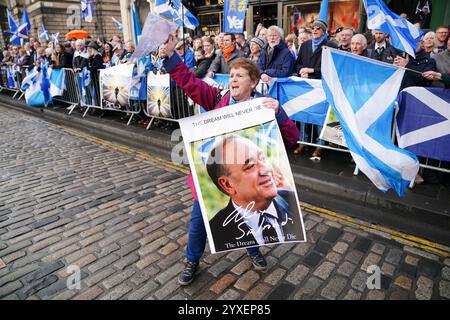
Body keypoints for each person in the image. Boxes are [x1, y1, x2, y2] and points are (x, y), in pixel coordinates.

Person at [161, 32, 299, 286]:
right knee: (199, 222)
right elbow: (188, 82)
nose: (233, 79)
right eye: (232, 75)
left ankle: (254, 250)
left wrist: (279, 114)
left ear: (254, 82)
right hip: (215, 175)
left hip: (250, 178)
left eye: (240, 76)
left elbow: (292, 138)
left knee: (252, 213)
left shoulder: (266, 106)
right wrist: (171, 56)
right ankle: (192, 260)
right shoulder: (216, 98)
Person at [207, 135, 303, 251]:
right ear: (227, 185)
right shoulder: (217, 231)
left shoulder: (291, 200)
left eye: (263, 158)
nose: (266, 169)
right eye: (251, 166)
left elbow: (293, 135)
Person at [293, 19, 337, 158]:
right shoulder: (305, 45)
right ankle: (303, 142)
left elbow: (332, 68)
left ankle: (320, 145)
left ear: (324, 31)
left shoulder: (330, 45)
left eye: (318, 28)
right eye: (313, 28)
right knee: (304, 114)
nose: (315, 30)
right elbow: (298, 64)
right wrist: (301, 71)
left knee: (321, 116)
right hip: (306, 85)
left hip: (322, 86)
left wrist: (312, 70)